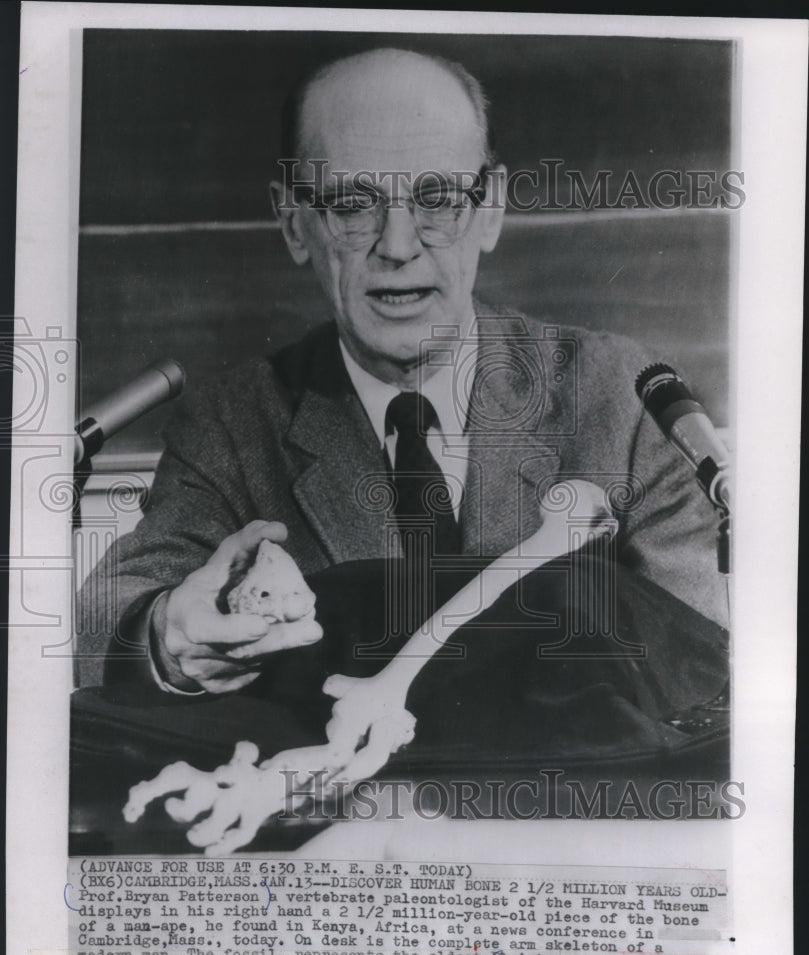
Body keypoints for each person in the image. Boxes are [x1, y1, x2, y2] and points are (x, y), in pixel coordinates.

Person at [76, 47, 727, 697]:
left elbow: (706, 674)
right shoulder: (232, 424)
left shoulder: (624, 400)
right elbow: (103, 614)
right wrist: (165, 634)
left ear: (491, 207)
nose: (396, 244)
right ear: (293, 221)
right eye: (353, 203)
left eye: (436, 198)